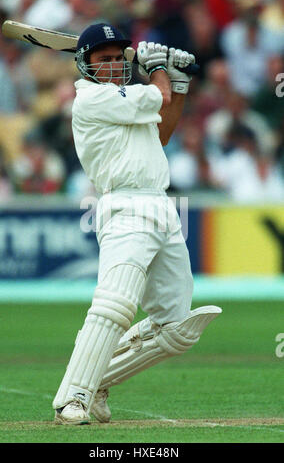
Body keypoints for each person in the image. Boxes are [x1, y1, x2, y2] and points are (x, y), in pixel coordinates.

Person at [52, 22, 222, 425]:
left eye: (118, 59)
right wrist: (159, 68)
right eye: (104, 59)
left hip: (162, 207)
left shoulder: (129, 100)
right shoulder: (92, 99)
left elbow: (163, 129)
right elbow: (157, 94)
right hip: (125, 205)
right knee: (116, 302)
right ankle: (71, 397)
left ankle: (96, 382)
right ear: (85, 64)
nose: (112, 66)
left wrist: (178, 82)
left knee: (176, 327)